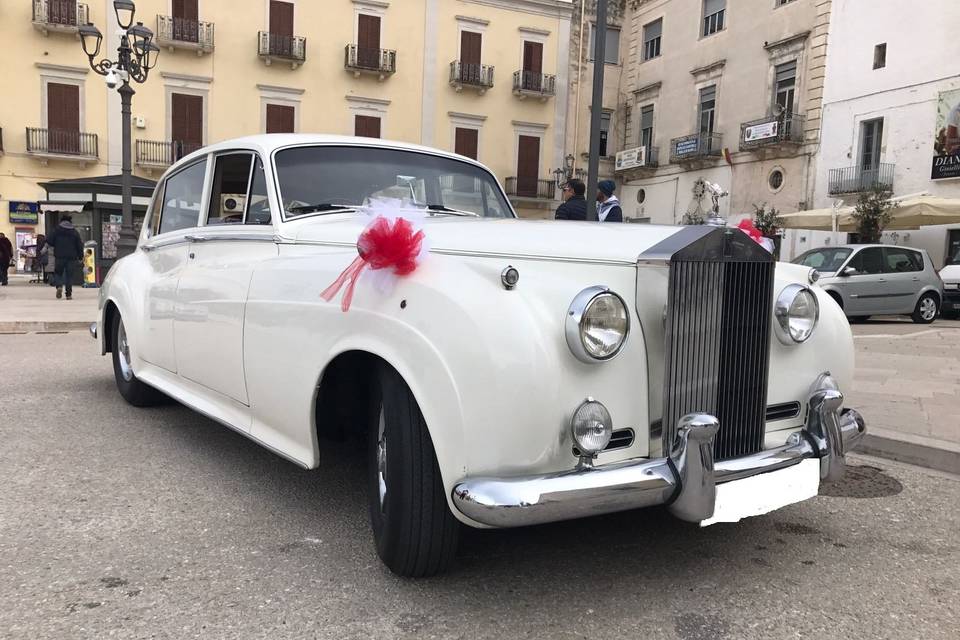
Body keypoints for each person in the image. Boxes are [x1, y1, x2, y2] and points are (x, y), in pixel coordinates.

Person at [45, 215, 84, 300]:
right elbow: (79, 246)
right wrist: (81, 257)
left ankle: (59, 286)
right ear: (70, 222)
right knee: (69, 276)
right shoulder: (74, 232)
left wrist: (56, 244)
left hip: (59, 256)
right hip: (72, 257)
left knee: (58, 273)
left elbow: (49, 240)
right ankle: (68, 295)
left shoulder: (56, 230)